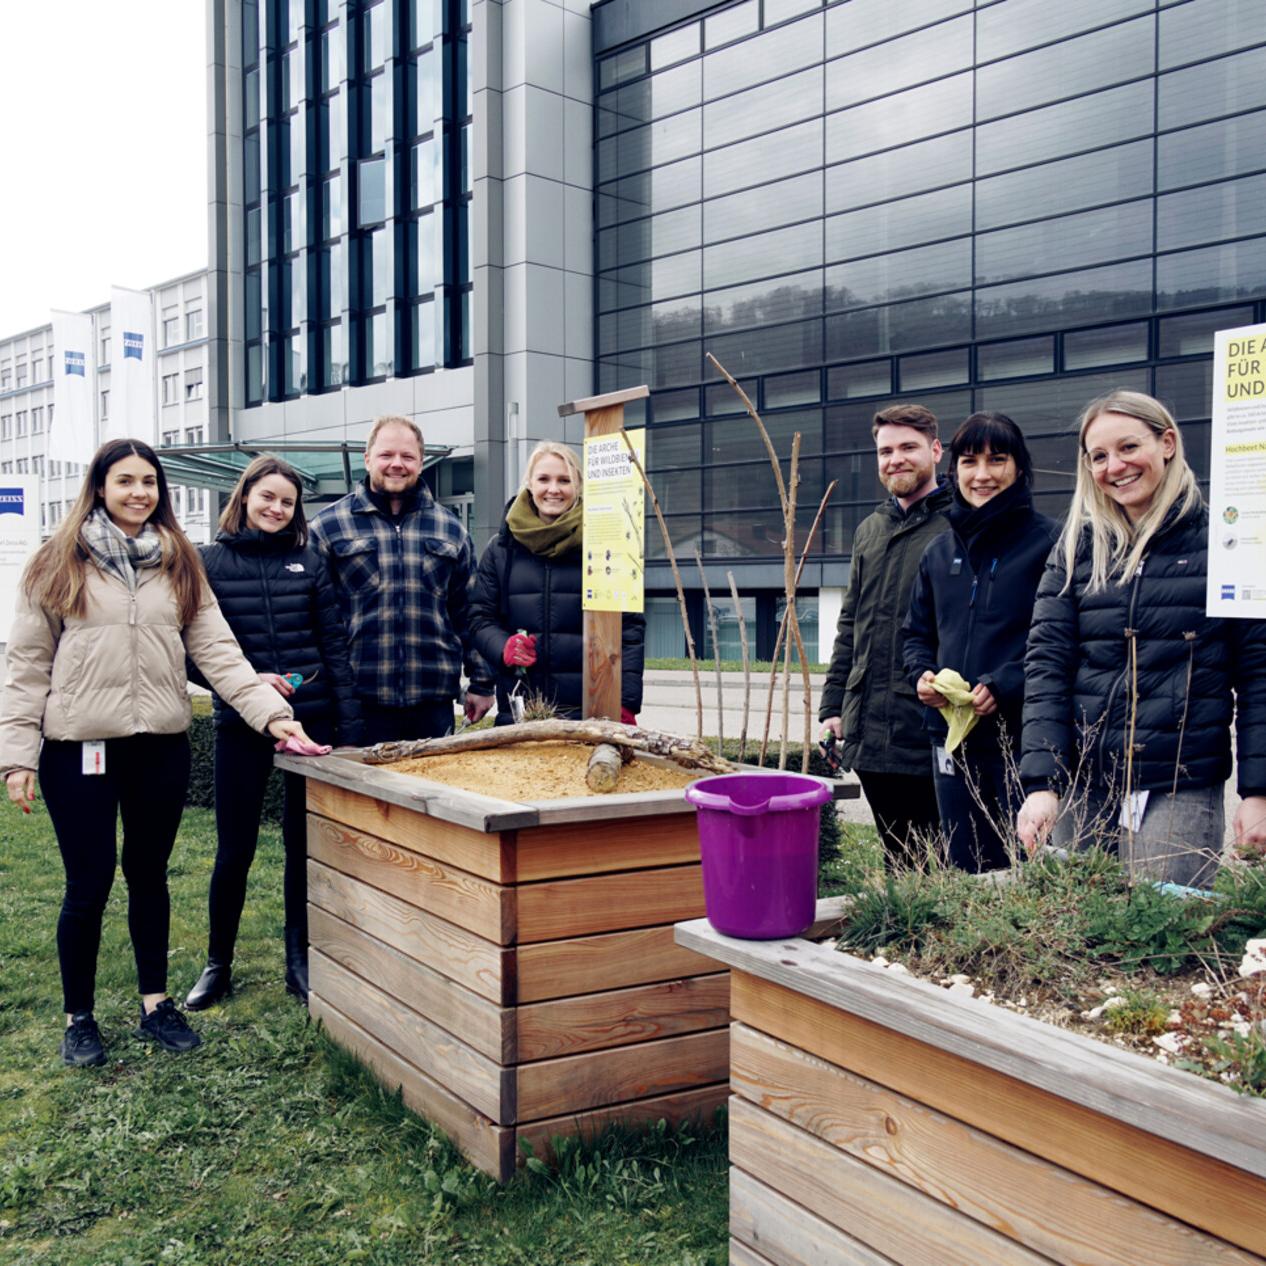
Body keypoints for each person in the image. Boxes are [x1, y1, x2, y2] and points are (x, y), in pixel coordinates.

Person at [0, 439, 315, 1067]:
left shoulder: (179, 564)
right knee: (86, 886)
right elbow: (26, 664)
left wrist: (275, 717)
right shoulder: (56, 562)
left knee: (149, 877)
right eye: (126, 481)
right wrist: (17, 757)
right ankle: (80, 1018)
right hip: (79, 750)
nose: (139, 493)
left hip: (160, 750)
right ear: (99, 487)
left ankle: (154, 1003)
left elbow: (220, 654)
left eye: (149, 482)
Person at [1016, 390, 1266, 883]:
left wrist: (1258, 792)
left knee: (1161, 934)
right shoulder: (1075, 549)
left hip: (1180, 782)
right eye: (1099, 457)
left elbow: (1260, 673)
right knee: (1073, 929)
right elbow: (1047, 666)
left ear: (1167, 443)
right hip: (1083, 784)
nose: (1116, 466)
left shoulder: (1228, 542)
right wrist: (1043, 781)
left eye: (1129, 447)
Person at [184, 457, 363, 1013]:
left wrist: (349, 728)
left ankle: (299, 960)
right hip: (240, 723)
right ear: (245, 497)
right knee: (233, 849)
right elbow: (188, 650)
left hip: (311, 722)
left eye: (286, 502)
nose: (276, 508)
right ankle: (218, 964)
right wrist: (242, 682)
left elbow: (334, 645)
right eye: (267, 497)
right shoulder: (206, 562)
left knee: (300, 849)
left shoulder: (310, 560)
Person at [902, 413, 1060, 872]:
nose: (983, 474)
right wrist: (921, 676)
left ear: (1020, 467)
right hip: (951, 740)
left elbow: (1062, 644)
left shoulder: (1051, 543)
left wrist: (1007, 682)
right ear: (955, 471)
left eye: (997, 459)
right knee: (963, 867)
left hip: (1020, 739)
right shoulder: (939, 551)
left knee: (1027, 871)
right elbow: (916, 635)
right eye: (969, 461)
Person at [820, 404, 953, 866]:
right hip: (870, 726)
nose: (895, 459)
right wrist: (834, 706)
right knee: (899, 859)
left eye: (908, 447)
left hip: (928, 723)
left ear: (935, 450)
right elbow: (850, 622)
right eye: (885, 451)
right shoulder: (869, 531)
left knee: (945, 862)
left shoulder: (959, 524)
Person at [310, 415, 495, 744]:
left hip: (431, 703)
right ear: (367, 459)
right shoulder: (328, 527)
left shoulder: (449, 529)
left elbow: (470, 613)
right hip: (356, 702)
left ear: (421, 463)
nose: (397, 464)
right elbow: (311, 618)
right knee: (360, 797)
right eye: (386, 455)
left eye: (408, 456)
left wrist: (482, 683)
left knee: (428, 796)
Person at [469, 440, 645, 725]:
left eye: (565, 480)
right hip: (520, 715)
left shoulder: (605, 543)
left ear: (578, 485)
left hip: (591, 713)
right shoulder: (501, 549)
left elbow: (630, 628)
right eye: (544, 479)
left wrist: (624, 702)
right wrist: (504, 646)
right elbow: (479, 617)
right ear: (529, 483)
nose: (554, 489)